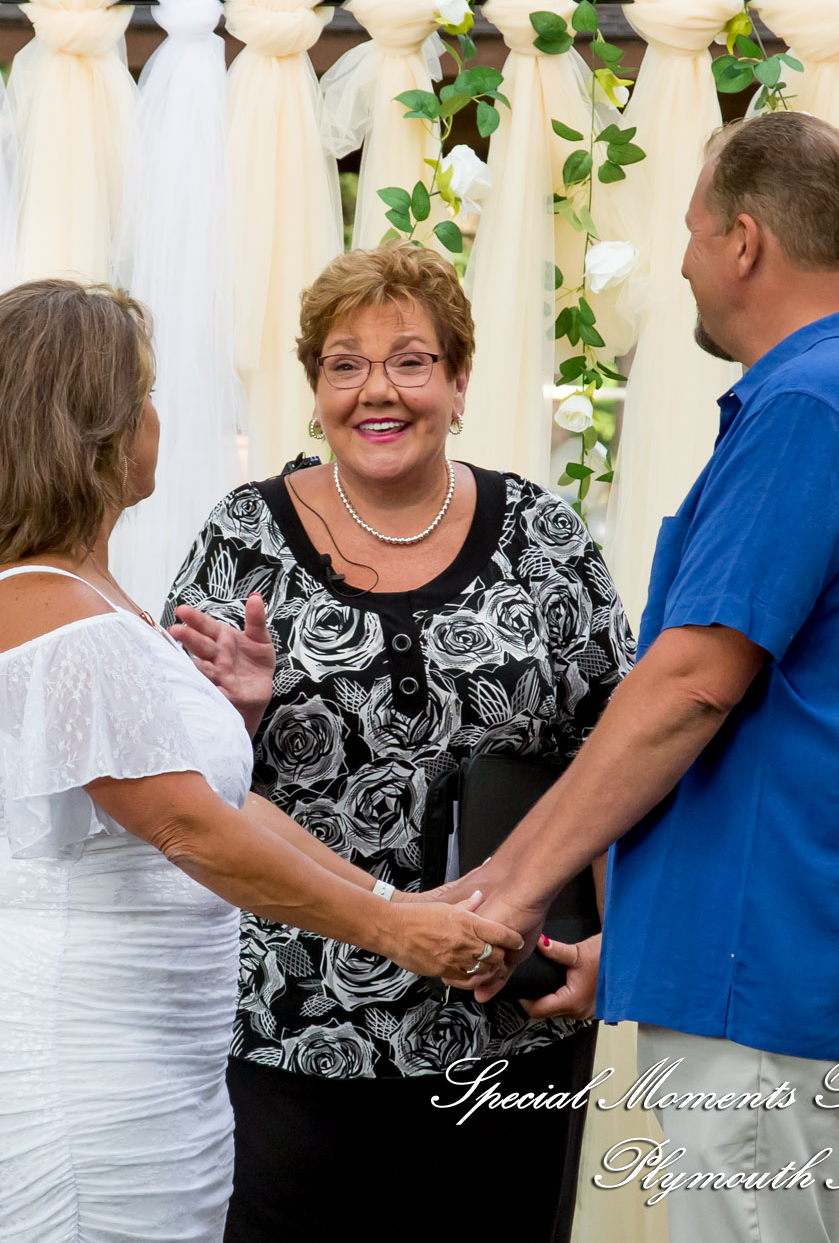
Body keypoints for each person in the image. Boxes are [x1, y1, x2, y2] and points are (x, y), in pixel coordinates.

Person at [0, 279, 521, 1243]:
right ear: (97, 429)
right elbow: (185, 828)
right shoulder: (45, 610)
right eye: (144, 395)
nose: (159, 418)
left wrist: (399, 899)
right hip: (86, 1055)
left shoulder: (86, 593)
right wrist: (388, 931)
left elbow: (210, 799)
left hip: (153, 1053)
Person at [461, 113, 839, 1243]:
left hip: (762, 965)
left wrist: (512, 883)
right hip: (759, 949)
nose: (679, 258)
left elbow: (690, 683)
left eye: (687, 229)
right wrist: (633, 939)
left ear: (741, 240)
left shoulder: (809, 407)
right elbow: (797, 728)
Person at [165, 241, 636, 1243]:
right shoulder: (241, 540)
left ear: (459, 382)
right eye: (345, 364)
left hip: (512, 1036)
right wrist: (236, 724)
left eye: (412, 361)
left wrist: (613, 937)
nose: (378, 391)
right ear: (315, 388)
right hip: (289, 1038)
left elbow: (623, 750)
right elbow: (174, 793)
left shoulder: (544, 535)